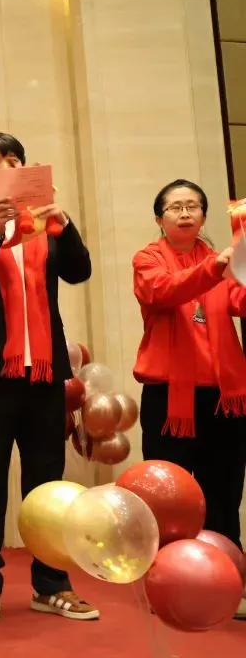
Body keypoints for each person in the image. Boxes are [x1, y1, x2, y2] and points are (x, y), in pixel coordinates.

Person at [0, 133, 98, 624]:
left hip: (44, 372)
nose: (6, 166)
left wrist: (63, 224)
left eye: (15, 159)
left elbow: (80, 271)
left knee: (47, 484)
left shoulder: (46, 225)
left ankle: (51, 584)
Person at [132, 180, 246, 556]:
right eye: (175, 207)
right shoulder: (147, 259)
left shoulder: (223, 261)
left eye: (192, 206)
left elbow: (240, 301)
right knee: (170, 498)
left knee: (223, 495)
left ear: (204, 216)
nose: (185, 213)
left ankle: (226, 571)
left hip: (223, 400)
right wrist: (213, 268)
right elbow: (163, 290)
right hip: (168, 400)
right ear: (159, 219)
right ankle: (168, 571)